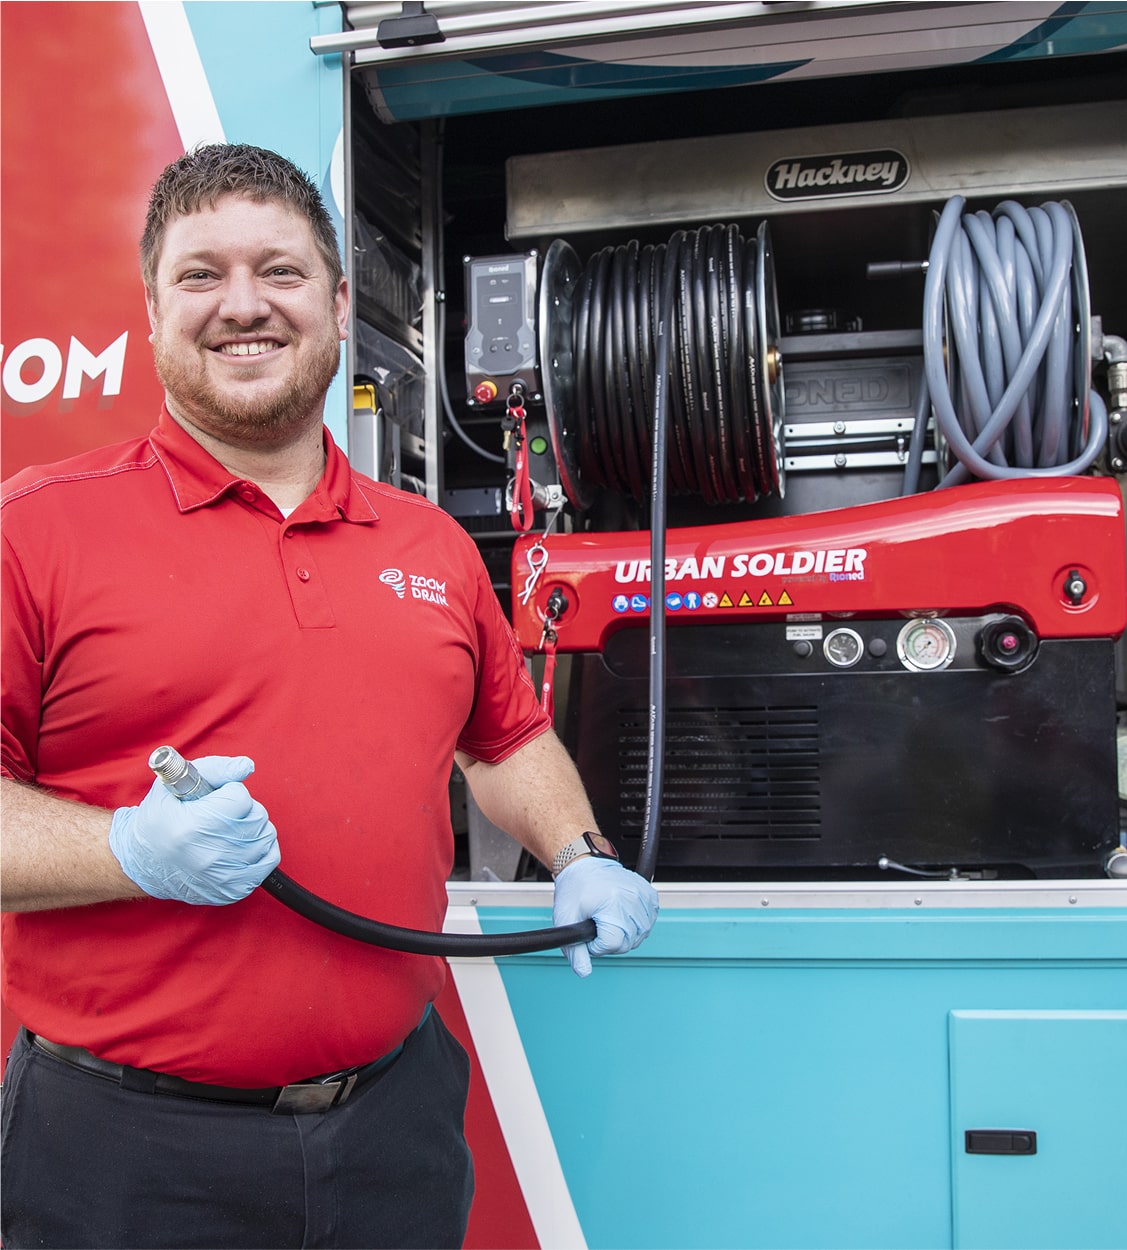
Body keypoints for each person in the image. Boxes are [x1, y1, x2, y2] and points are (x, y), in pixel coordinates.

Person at [0, 143, 659, 1250]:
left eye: (282, 271)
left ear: (341, 303)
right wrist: (128, 847)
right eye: (201, 275)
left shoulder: (432, 544)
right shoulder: (37, 527)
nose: (244, 305)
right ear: (152, 309)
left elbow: (504, 739)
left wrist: (579, 845)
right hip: (120, 1154)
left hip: (391, 1128)